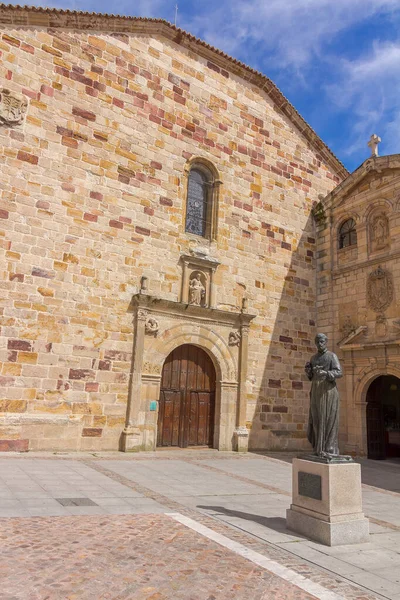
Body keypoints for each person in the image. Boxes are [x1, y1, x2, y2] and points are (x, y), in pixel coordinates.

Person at [305, 333, 342, 457]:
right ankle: (317, 447)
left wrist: (325, 373)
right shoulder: (313, 358)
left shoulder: (332, 356)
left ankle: (329, 448)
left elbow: (339, 372)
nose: (320, 344)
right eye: (317, 342)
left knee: (328, 418)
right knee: (316, 418)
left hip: (328, 391)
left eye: (322, 341)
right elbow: (311, 377)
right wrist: (309, 372)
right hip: (316, 390)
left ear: (326, 342)